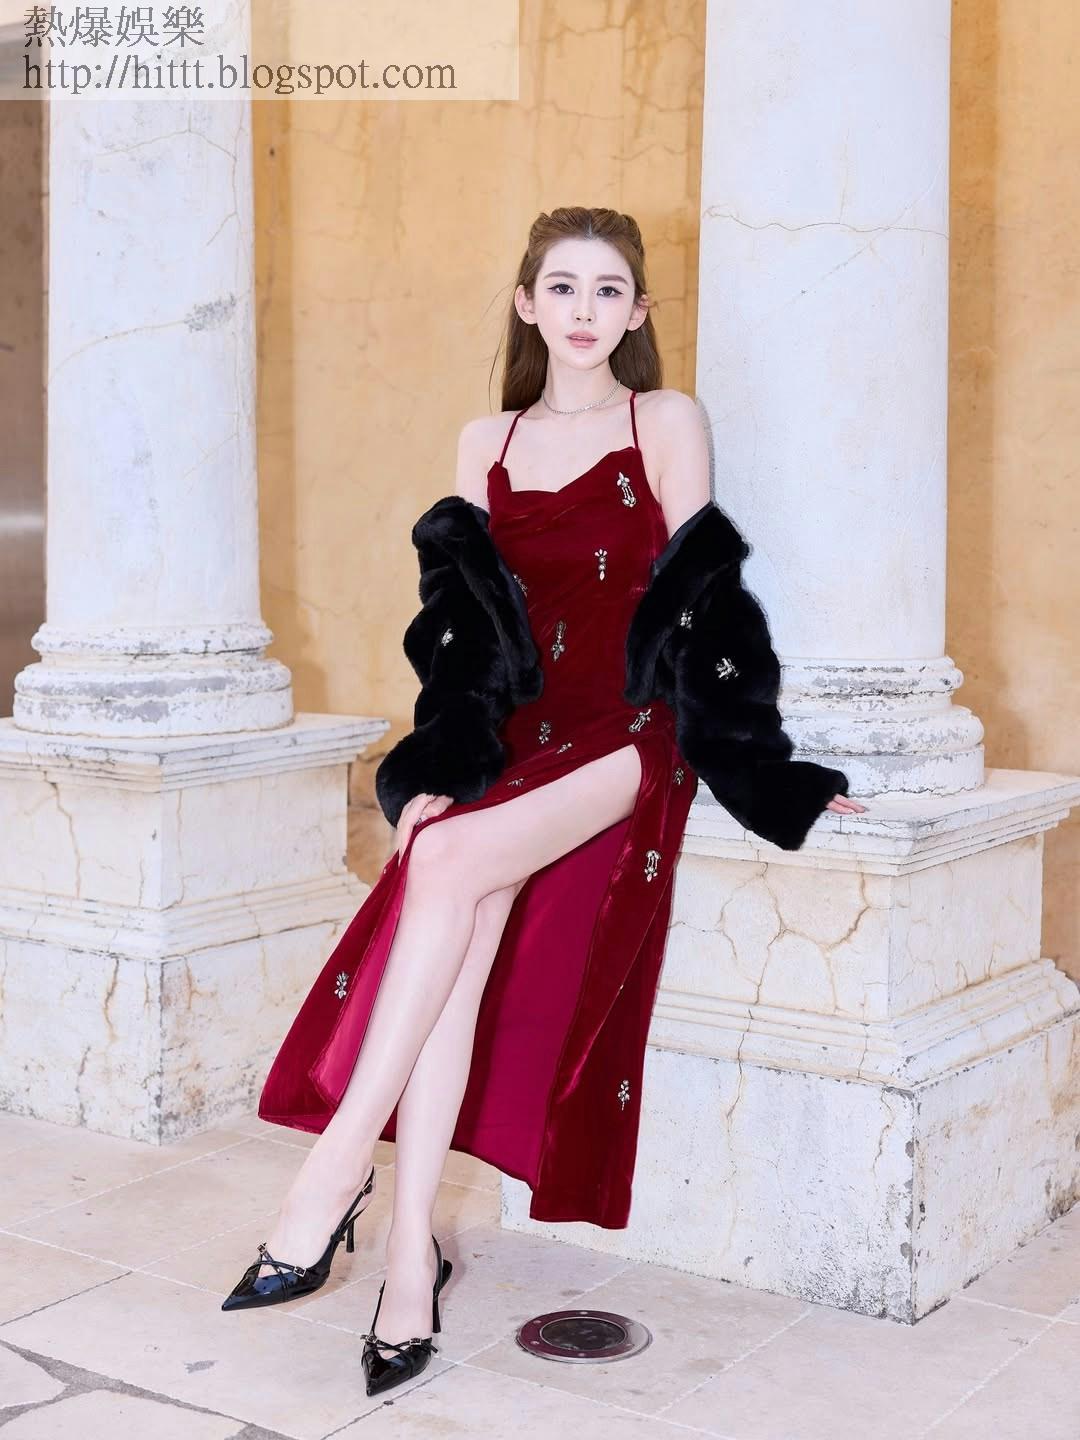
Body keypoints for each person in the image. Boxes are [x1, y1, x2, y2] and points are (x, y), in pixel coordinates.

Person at [220, 206, 867, 1397]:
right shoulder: (487, 441)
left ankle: (334, 1173)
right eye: (562, 287)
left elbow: (702, 603)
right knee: (452, 901)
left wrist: (766, 768)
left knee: (441, 869)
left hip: (632, 729)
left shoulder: (664, 420)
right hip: (521, 736)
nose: (584, 310)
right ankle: (407, 1262)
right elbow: (465, 635)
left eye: (609, 290)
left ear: (637, 312)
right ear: (526, 304)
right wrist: (441, 766)